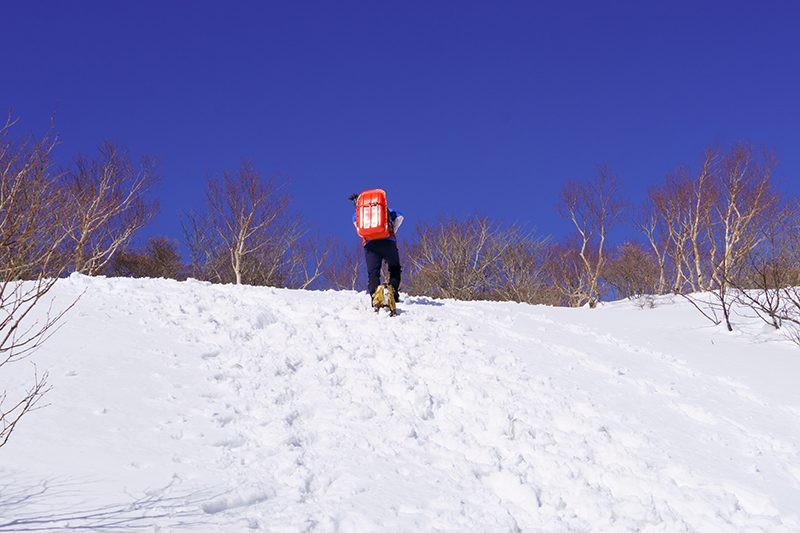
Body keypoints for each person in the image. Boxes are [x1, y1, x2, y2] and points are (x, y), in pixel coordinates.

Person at [352, 201, 404, 301]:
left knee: (373, 272)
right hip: (387, 241)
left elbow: (356, 224)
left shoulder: (359, 212)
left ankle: (374, 294)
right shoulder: (386, 209)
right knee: (394, 266)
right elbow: (400, 217)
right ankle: (393, 289)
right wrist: (393, 230)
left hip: (370, 244)